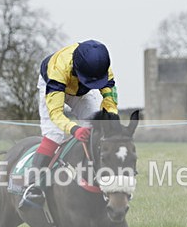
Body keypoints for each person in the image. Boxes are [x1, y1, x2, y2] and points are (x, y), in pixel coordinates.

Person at [19, 40, 118, 209]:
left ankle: (99, 176)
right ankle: (33, 185)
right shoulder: (58, 70)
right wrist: (74, 129)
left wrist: (109, 120)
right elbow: (56, 113)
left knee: (96, 124)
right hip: (52, 84)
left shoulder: (103, 68)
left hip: (78, 90)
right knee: (54, 134)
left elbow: (110, 100)